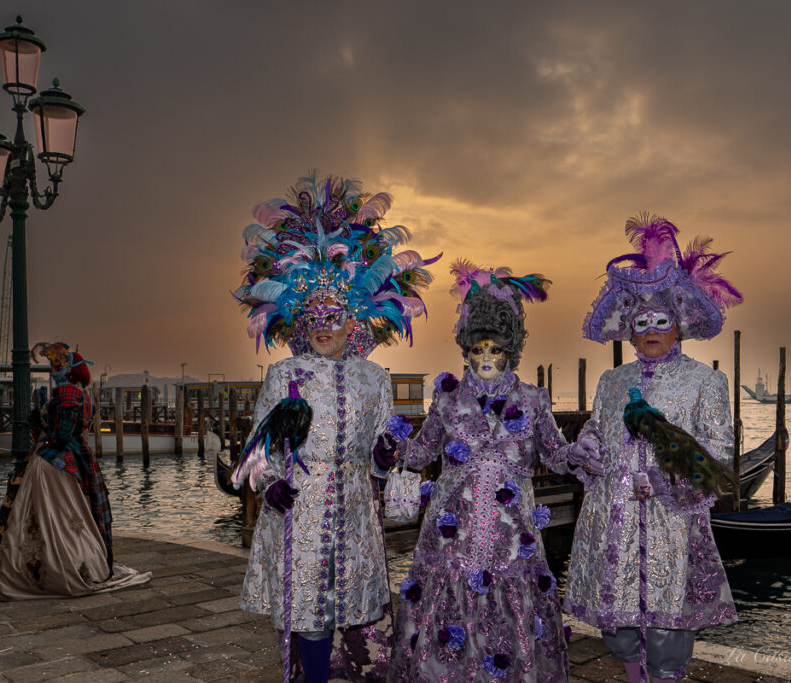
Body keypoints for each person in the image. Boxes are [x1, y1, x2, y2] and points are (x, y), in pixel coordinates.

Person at [225, 173, 438, 683]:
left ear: (354, 322)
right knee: (310, 613)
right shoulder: (284, 373)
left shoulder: (375, 378)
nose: (324, 324)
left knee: (346, 608)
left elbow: (383, 450)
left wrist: (385, 459)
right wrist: (271, 481)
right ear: (301, 321)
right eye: (314, 315)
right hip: (301, 501)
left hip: (354, 505)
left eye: (334, 315)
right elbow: (260, 445)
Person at [387, 262, 590, 682]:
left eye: (495, 349)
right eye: (477, 349)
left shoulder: (532, 401)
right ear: (465, 349)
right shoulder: (447, 399)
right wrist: (391, 444)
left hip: (511, 537)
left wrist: (582, 453)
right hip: (452, 537)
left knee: (507, 610)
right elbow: (422, 451)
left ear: (510, 349)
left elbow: (555, 454)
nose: (485, 358)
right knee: (449, 608)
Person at [563, 214, 742, 682]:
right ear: (629, 328)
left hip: (672, 520)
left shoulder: (707, 381)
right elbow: (597, 430)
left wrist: (664, 464)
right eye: (641, 321)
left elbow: (720, 453)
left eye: (661, 320)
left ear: (678, 324)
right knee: (619, 624)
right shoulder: (612, 379)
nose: (651, 329)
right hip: (612, 516)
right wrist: (586, 446)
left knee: (667, 625)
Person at [0, 344, 151, 599]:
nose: (52, 370)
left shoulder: (68, 390)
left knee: (49, 513)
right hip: (76, 458)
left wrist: (45, 441)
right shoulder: (81, 392)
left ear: (70, 372)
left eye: (57, 366)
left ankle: (50, 568)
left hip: (58, 460)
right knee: (73, 514)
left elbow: (63, 433)